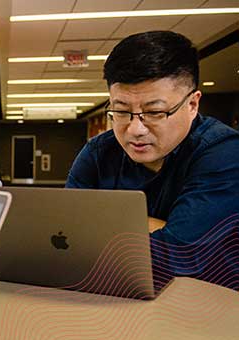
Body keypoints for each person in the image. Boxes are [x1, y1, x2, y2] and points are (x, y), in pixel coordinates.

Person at [66, 31, 239, 287]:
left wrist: (103, 226)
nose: (135, 129)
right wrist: (157, 226)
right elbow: (64, 236)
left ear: (192, 104)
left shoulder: (224, 153)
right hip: (114, 297)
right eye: (122, 111)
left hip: (208, 305)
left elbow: (176, 256)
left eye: (155, 112)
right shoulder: (98, 152)